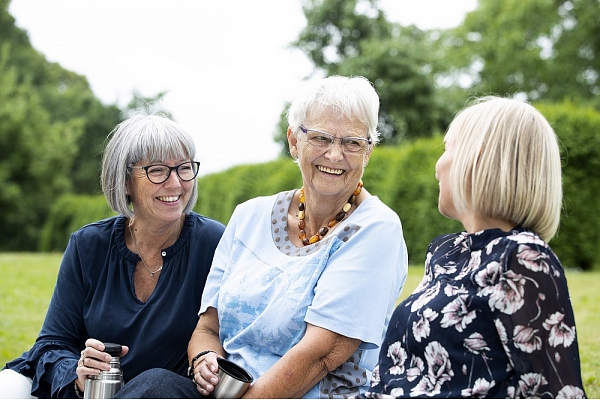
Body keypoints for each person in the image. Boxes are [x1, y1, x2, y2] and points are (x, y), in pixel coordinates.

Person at [113, 75, 409, 399]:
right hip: (225, 394)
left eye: (352, 142)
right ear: (294, 141)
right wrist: (204, 360)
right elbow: (207, 329)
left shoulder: (376, 230)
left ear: (368, 151)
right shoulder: (248, 217)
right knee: (154, 386)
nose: (335, 155)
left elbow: (320, 355)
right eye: (322, 138)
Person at [361, 96, 586, 398]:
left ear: (477, 158)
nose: (438, 167)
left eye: (447, 149)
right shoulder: (447, 254)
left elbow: (556, 389)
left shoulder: (521, 258)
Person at [0, 114, 225, 398]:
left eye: (183, 168)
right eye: (158, 171)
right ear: (125, 181)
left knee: (155, 383)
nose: (176, 183)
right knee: (8, 385)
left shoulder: (215, 242)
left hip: (170, 393)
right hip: (95, 394)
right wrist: (79, 374)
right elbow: (53, 343)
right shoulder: (89, 245)